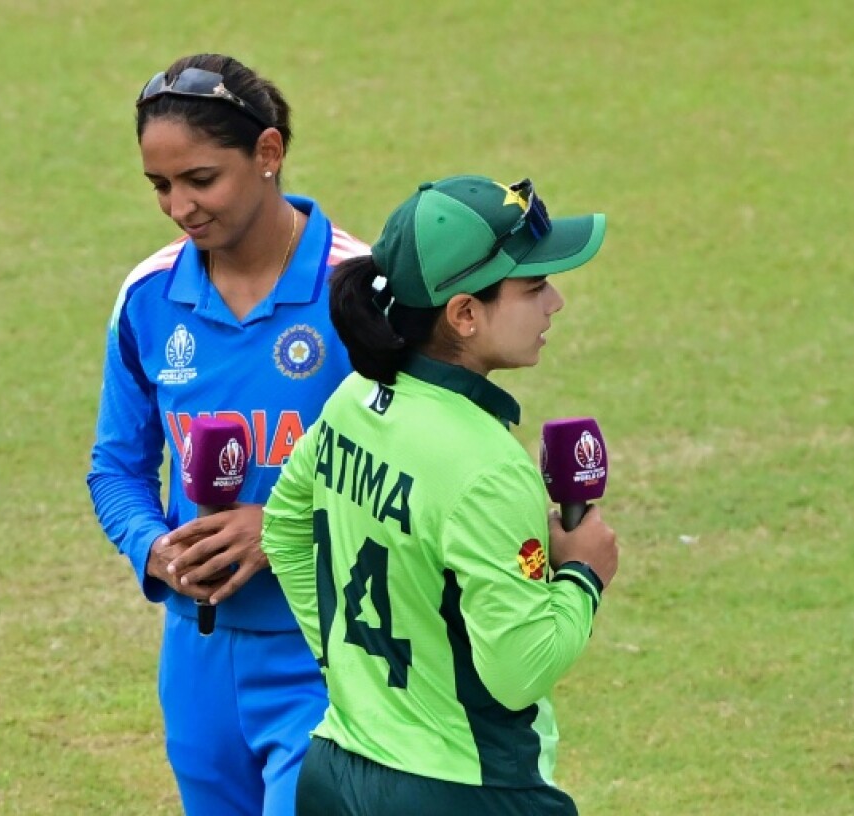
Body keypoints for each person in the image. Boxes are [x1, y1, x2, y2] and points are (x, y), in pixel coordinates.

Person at [262, 174, 620, 815]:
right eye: (534, 287)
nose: (556, 302)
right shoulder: (488, 468)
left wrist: (343, 665)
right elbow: (519, 670)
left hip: (336, 769)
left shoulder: (352, 402)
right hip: (465, 790)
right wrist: (585, 574)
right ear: (464, 313)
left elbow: (284, 529)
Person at [86, 53, 368, 816]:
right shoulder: (148, 296)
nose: (180, 206)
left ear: (268, 154)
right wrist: (155, 549)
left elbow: (413, 479)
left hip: (330, 653)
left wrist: (280, 528)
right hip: (197, 657)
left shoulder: (359, 292)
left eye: (200, 180)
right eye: (160, 186)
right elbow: (115, 467)